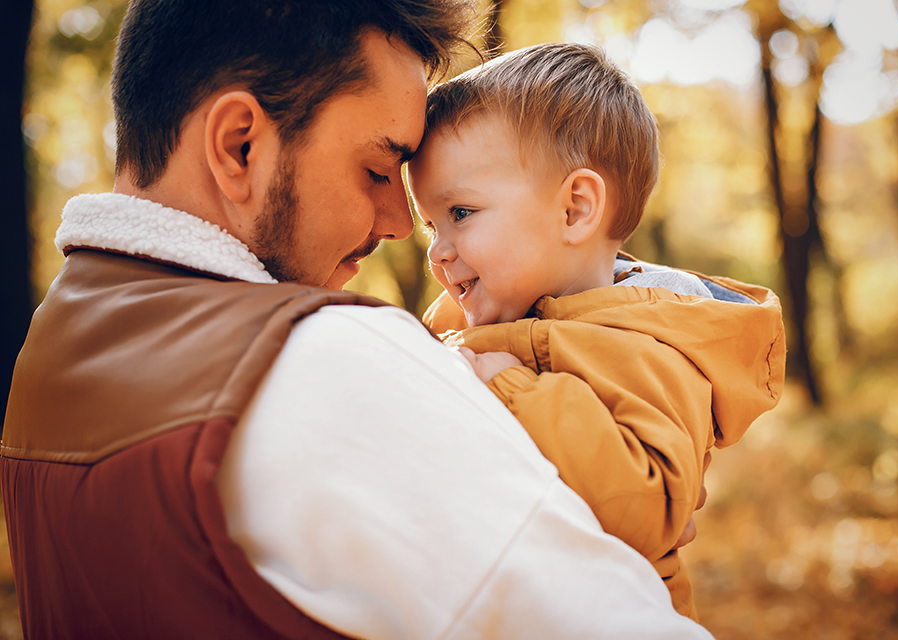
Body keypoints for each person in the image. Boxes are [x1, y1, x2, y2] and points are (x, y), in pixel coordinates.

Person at [1, 2, 717, 639]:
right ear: (238, 146)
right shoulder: (322, 362)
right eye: (380, 171)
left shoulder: (50, 353)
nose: (401, 224)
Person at [407, 42, 787, 620]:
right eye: (431, 224)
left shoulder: (651, 342)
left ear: (575, 210)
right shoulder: (463, 321)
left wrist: (511, 388)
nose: (438, 251)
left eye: (460, 214)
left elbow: (649, 507)